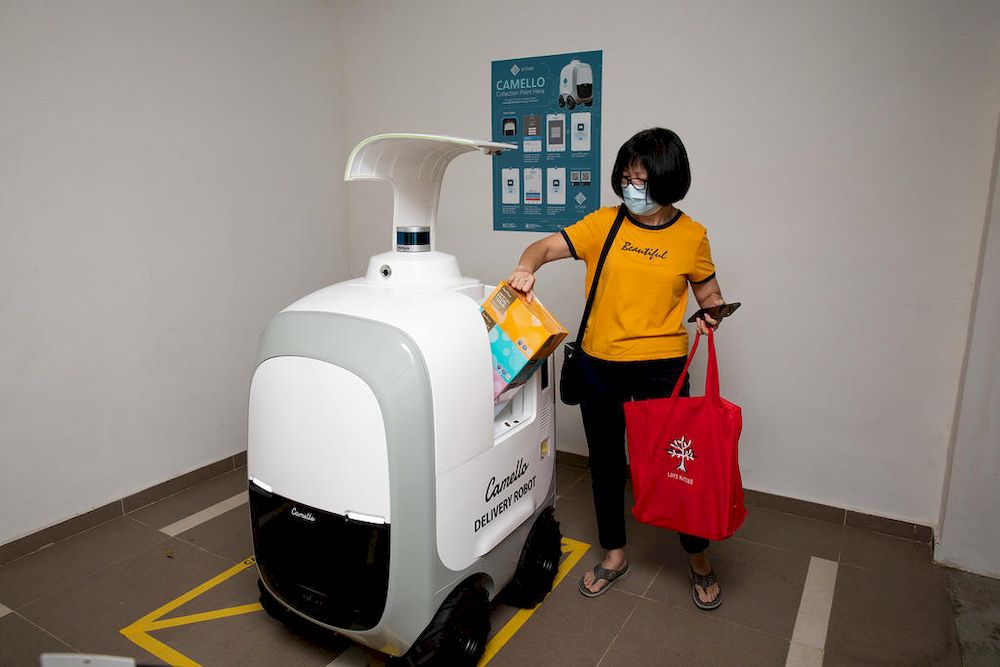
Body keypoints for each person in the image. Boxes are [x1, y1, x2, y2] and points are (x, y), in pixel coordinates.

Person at [507, 128, 729, 610]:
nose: (633, 189)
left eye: (643, 181)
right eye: (626, 178)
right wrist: (526, 268)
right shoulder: (603, 224)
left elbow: (708, 294)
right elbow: (541, 249)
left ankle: (698, 560)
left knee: (676, 466)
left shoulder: (692, 236)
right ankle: (614, 554)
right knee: (605, 465)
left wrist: (713, 312)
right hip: (600, 366)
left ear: (669, 182)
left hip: (662, 371)